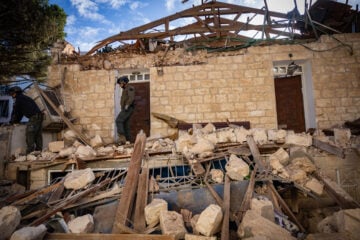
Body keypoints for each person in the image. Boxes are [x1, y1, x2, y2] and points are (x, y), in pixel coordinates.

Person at [9, 86, 43, 154]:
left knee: (29, 133)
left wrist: (13, 122)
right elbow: (20, 112)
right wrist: (16, 120)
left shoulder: (18, 99)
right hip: (39, 116)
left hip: (34, 117)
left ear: (15, 93)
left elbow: (16, 112)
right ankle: (39, 151)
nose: (12, 96)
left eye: (12, 94)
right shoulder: (25, 98)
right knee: (37, 134)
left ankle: (30, 151)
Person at [115, 76, 135, 145]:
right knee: (125, 124)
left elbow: (131, 97)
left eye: (120, 83)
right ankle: (128, 141)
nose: (120, 85)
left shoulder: (130, 88)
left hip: (128, 108)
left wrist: (127, 105)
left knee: (118, 120)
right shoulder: (125, 89)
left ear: (124, 82)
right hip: (125, 108)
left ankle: (121, 137)